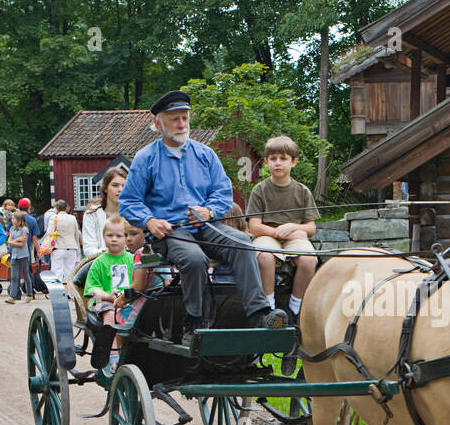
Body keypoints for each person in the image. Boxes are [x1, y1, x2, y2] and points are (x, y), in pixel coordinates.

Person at [118, 88, 286, 347]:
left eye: (185, 117)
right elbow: (128, 202)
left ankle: (259, 314)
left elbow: (222, 192)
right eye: (174, 118)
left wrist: (210, 211)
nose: (182, 124)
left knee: (242, 243)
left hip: (206, 225)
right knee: (195, 260)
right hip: (170, 232)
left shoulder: (205, 154)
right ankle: (195, 323)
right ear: (157, 122)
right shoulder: (145, 158)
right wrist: (150, 221)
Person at [246, 135, 320, 321]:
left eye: (283, 159)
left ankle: (295, 307)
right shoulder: (260, 190)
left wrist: (292, 227)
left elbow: (311, 227)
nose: (277, 163)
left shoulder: (302, 191)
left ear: (293, 162)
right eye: (273, 159)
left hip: (294, 235)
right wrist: (276, 232)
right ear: (266, 162)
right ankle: (268, 307)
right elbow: (254, 227)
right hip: (266, 234)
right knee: (264, 257)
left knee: (309, 260)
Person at [82, 216, 142, 372]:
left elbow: (138, 281)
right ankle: (112, 352)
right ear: (104, 237)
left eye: (119, 236)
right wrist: (108, 296)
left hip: (128, 299)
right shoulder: (100, 262)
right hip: (104, 300)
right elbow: (92, 288)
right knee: (110, 312)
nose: (114, 239)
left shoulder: (132, 259)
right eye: (110, 236)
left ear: (126, 238)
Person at [82, 157, 129, 259]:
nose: (120, 189)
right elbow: (89, 249)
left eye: (124, 186)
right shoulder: (92, 213)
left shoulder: (131, 214)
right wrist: (108, 253)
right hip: (98, 264)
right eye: (115, 185)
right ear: (106, 188)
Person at [48, 199, 81, 284]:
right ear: (66, 208)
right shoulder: (72, 218)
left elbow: (50, 232)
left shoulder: (54, 218)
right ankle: (69, 294)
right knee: (69, 274)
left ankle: (58, 294)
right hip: (71, 247)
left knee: (57, 273)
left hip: (58, 247)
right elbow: (76, 234)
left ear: (56, 208)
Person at [3, 210, 33, 303]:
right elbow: (9, 241)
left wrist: (12, 242)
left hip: (23, 255)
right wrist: (17, 240)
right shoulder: (11, 229)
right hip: (14, 255)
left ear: (19, 220)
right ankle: (12, 296)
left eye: (14, 218)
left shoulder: (24, 229)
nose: (12, 220)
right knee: (14, 277)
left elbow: (22, 244)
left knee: (25, 275)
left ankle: (29, 294)